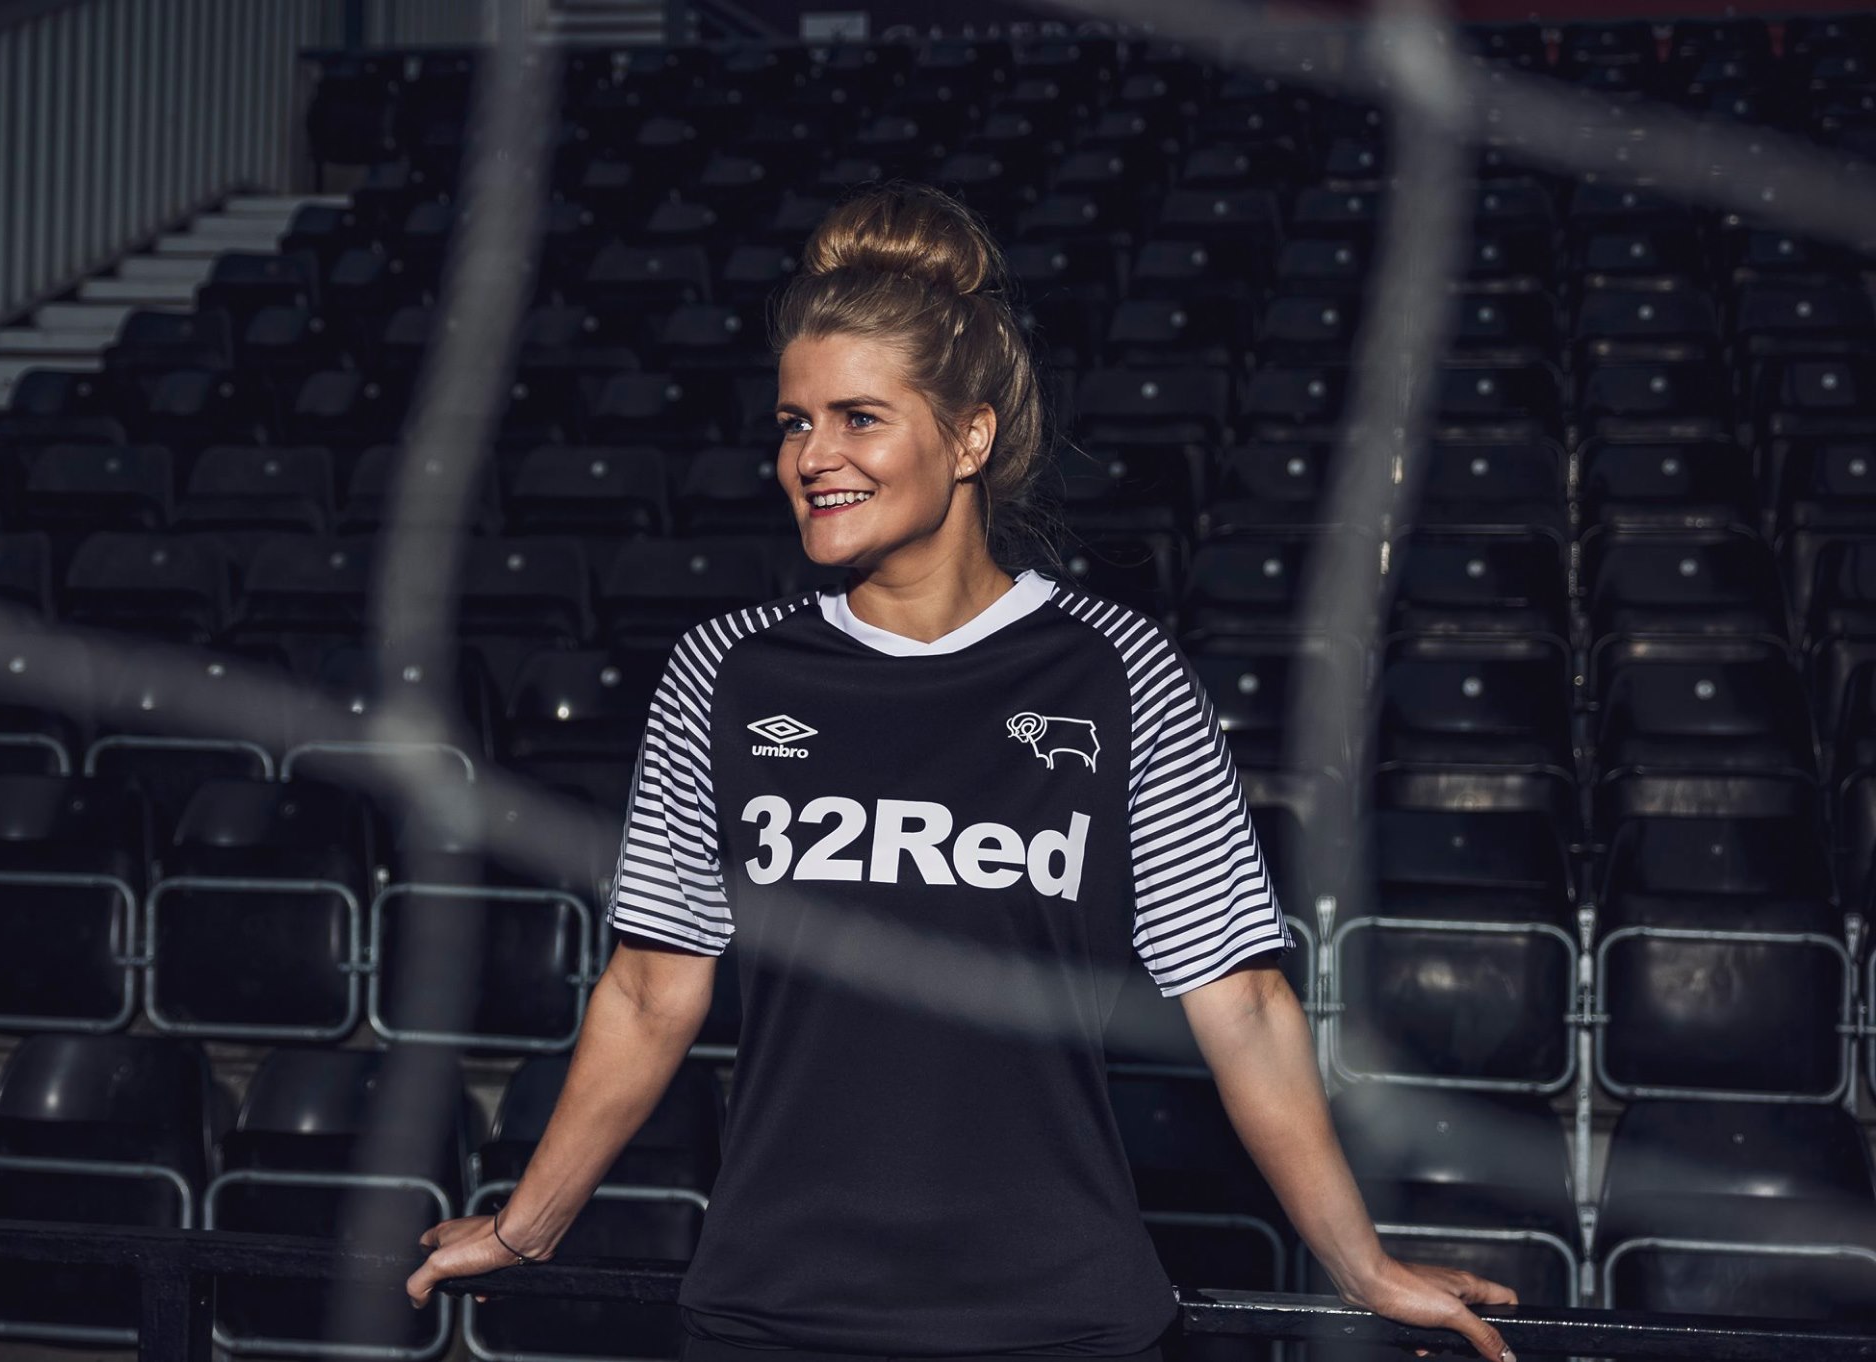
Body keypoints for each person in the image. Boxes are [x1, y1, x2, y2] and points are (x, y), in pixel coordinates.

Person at [406, 181, 1519, 1362]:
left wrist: (1358, 1262)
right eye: (792, 423)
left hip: (1054, 1316)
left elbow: (1238, 1002)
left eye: (858, 418)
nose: (812, 458)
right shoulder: (721, 671)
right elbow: (647, 991)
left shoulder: (1119, 672)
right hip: (775, 1308)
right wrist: (529, 1224)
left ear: (970, 436)